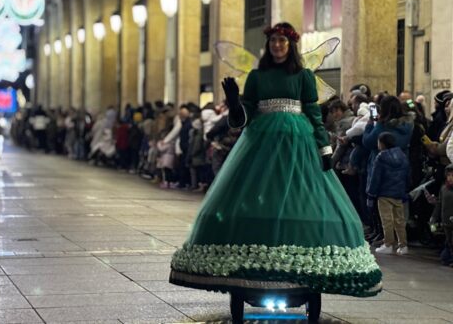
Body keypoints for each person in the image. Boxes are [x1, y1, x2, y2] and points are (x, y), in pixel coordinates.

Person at [169, 22, 382, 298]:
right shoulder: (257, 77)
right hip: (261, 141)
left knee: (296, 193)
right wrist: (235, 104)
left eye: (282, 41)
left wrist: (324, 149)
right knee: (261, 190)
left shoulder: (303, 76)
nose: (278, 45)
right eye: (273, 41)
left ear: (290, 45)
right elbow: (244, 116)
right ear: (268, 46)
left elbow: (313, 114)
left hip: (298, 142)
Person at [367, 133, 409, 255]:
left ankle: (388, 244)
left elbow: (376, 178)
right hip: (399, 193)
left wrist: (371, 194)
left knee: (387, 220)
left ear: (382, 143)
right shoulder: (403, 155)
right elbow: (407, 175)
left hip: (384, 194)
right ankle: (403, 245)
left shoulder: (381, 157)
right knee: (400, 220)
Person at [430, 164, 453, 266]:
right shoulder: (444, 189)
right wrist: (434, 218)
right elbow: (439, 204)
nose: (450, 178)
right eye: (448, 175)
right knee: (449, 242)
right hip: (446, 222)